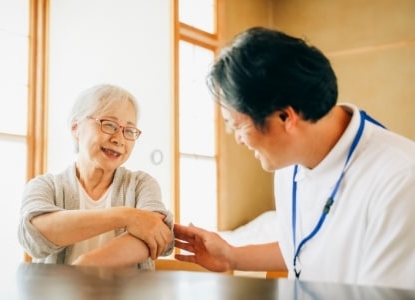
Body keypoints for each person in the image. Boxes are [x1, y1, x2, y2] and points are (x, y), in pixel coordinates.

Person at [173, 27, 415, 290]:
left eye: (238, 126)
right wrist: (231, 256)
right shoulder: (290, 164)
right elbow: (305, 249)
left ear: (286, 117)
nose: (239, 140)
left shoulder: (401, 179)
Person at [18, 84, 173, 270]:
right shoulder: (45, 186)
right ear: (76, 128)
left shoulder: (141, 184)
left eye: (129, 131)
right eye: (109, 125)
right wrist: (127, 216)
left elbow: (156, 235)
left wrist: (87, 265)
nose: (119, 139)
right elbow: (35, 234)